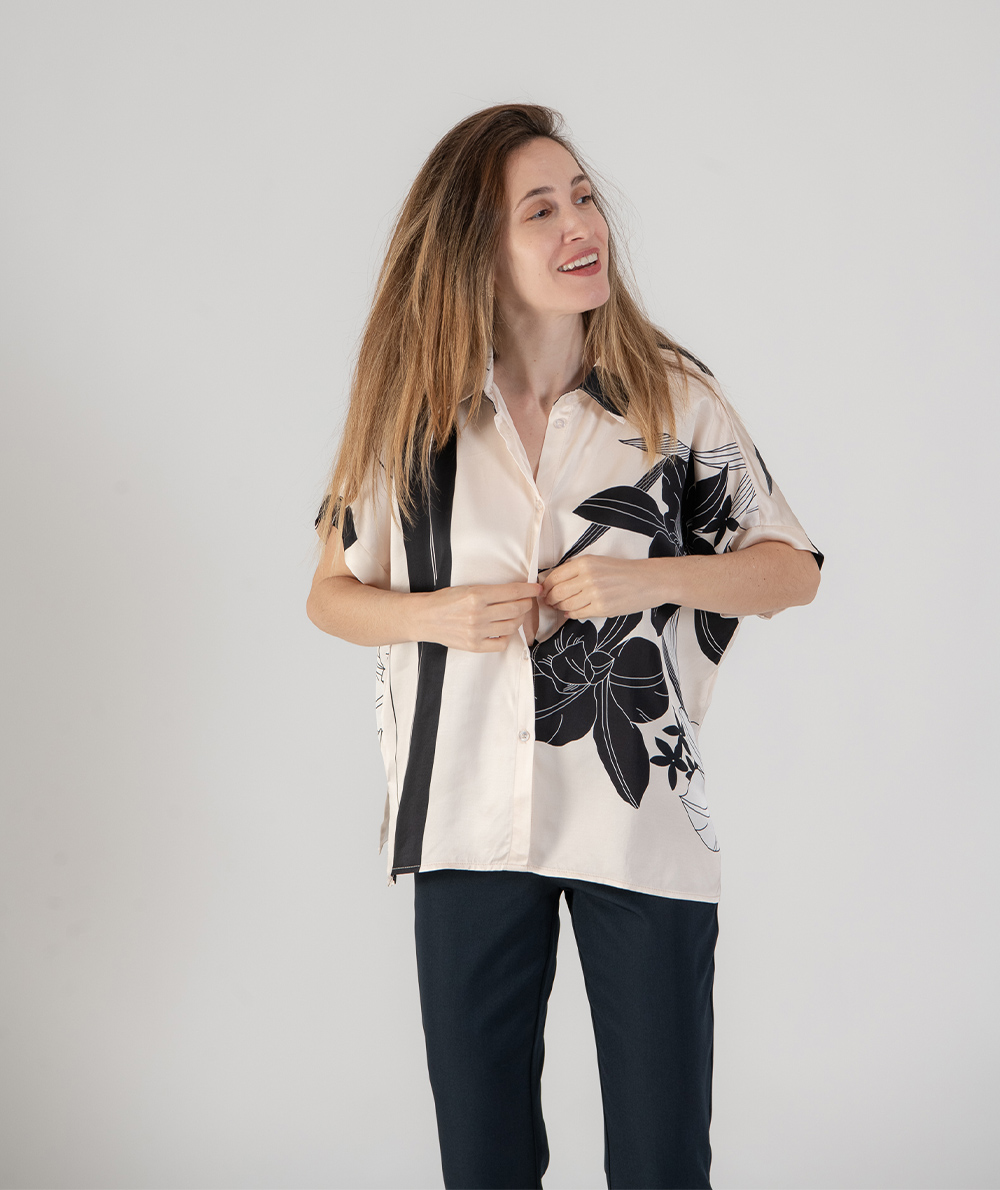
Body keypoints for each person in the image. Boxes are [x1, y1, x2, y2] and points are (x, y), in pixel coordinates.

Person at [307, 103, 822, 1190]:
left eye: (582, 197)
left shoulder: (671, 400)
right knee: (483, 1160)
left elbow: (792, 568)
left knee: (662, 1158)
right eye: (538, 210)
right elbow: (331, 593)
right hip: (463, 821)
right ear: (477, 249)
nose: (579, 225)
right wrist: (437, 614)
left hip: (640, 822)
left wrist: (650, 578)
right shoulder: (413, 416)